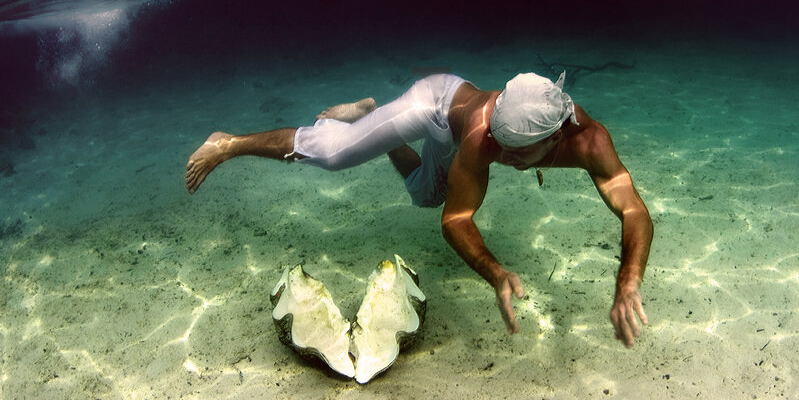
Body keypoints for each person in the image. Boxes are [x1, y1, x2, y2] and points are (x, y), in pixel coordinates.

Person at [185, 72, 653, 347]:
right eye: (498, 144)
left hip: (461, 129)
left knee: (424, 194)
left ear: (554, 137)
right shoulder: (480, 134)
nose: (500, 156)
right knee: (333, 154)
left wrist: (628, 278)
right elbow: (457, 221)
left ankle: (368, 114)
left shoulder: (591, 141)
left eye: (513, 152)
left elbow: (632, 209)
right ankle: (229, 142)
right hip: (434, 104)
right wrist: (494, 272)